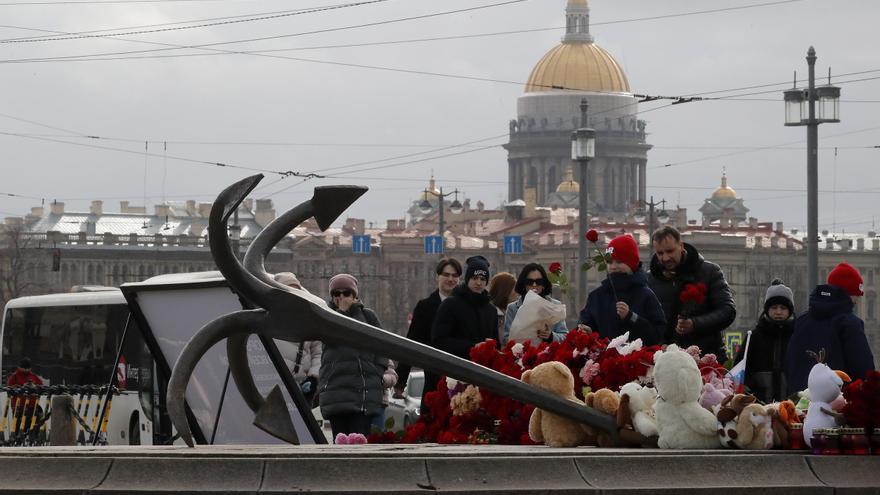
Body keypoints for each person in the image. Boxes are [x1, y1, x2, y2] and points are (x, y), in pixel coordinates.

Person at [318, 273, 397, 439]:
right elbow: (330, 338)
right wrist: (342, 313)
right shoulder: (325, 315)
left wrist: (377, 374)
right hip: (336, 393)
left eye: (346, 293)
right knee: (340, 443)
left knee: (359, 441)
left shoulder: (368, 316)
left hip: (362, 394)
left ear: (354, 295)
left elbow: (383, 347)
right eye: (336, 294)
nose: (341, 297)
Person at [785, 262, 875, 395]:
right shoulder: (850, 323)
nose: (857, 300)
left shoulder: (802, 321)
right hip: (836, 405)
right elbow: (863, 370)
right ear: (847, 294)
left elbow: (789, 364)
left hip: (801, 403)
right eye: (856, 294)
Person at [647, 226, 736, 361]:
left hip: (706, 358)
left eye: (670, 251)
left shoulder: (709, 271)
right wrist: (660, 344)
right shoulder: (650, 280)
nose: (665, 258)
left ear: (681, 246)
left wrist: (695, 324)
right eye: (660, 253)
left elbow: (728, 311)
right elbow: (649, 323)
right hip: (667, 362)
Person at [395, 258, 462, 413]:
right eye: (446, 274)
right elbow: (412, 343)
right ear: (437, 277)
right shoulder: (425, 307)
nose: (450, 279)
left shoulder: (465, 306)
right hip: (434, 378)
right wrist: (401, 380)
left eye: (455, 275)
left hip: (461, 379)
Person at [578, 234, 665, 346]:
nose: (613, 266)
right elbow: (585, 325)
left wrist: (631, 317)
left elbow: (658, 334)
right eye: (610, 262)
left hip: (638, 360)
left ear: (632, 264)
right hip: (603, 361)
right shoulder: (596, 296)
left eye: (619, 262)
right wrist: (586, 331)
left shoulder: (646, 295)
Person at [734, 279, 795, 403]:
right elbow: (741, 369)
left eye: (783, 308)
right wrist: (748, 393)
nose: (778, 311)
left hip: (791, 405)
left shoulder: (797, 337)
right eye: (774, 307)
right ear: (767, 309)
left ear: (790, 310)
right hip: (758, 404)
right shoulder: (754, 336)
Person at [432, 255, 498, 359]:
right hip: (456, 369)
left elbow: (496, 343)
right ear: (467, 279)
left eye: (483, 279)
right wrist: (472, 347)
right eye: (474, 278)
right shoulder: (450, 304)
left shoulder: (491, 310)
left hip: (484, 371)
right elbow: (439, 340)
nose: (479, 282)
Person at [272, 272, 322, 405]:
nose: (293, 295)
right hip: (273, 387)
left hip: (301, 388)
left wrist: (313, 377)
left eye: (296, 291)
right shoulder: (268, 318)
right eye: (289, 290)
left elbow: (319, 353)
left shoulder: (309, 320)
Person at [502, 263, 569, 345]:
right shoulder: (513, 308)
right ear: (524, 284)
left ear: (543, 284)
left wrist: (551, 336)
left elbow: (565, 337)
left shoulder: (555, 305)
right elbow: (506, 339)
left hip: (549, 356)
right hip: (522, 355)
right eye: (530, 282)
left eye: (538, 281)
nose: (534, 285)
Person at [488, 272, 518, 342]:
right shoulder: (491, 314)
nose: (517, 292)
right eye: (514, 288)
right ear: (504, 290)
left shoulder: (515, 311)